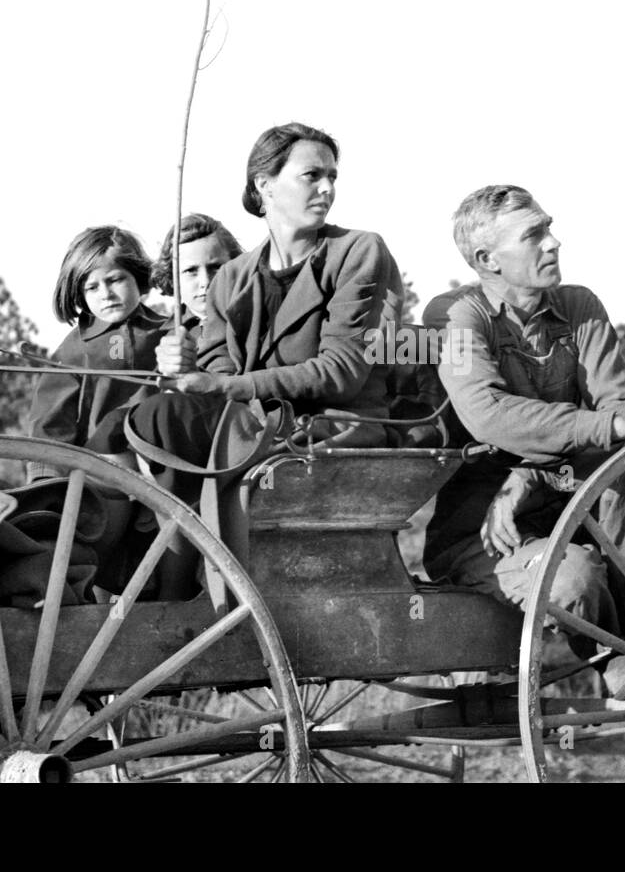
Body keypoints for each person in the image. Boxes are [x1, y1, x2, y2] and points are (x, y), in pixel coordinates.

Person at [423, 184, 625, 702]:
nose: (554, 243)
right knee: (574, 581)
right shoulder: (458, 316)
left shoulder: (580, 306)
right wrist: (611, 430)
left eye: (549, 228)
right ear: (487, 258)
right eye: (535, 235)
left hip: (571, 504)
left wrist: (531, 475)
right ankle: (611, 655)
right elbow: (490, 416)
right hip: (488, 533)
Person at [126, 122, 404, 597]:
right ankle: (145, 588)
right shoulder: (231, 278)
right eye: (312, 175)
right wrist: (186, 367)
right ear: (264, 184)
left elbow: (341, 372)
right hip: (251, 423)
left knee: (166, 417)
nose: (327, 188)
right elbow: (214, 373)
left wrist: (220, 387)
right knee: (143, 418)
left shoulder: (357, 251)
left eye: (332, 176)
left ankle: (189, 594)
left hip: (327, 425)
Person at [24, 225, 167, 482]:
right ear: (80, 294)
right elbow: (49, 426)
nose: (106, 294)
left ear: (138, 276)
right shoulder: (71, 353)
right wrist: (46, 482)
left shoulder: (170, 332)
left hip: (164, 464)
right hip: (100, 474)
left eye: (115, 280)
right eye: (93, 288)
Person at [150, 212, 243, 332]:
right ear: (172, 278)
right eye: (191, 271)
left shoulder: (258, 321)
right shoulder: (162, 339)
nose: (205, 281)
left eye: (216, 267)